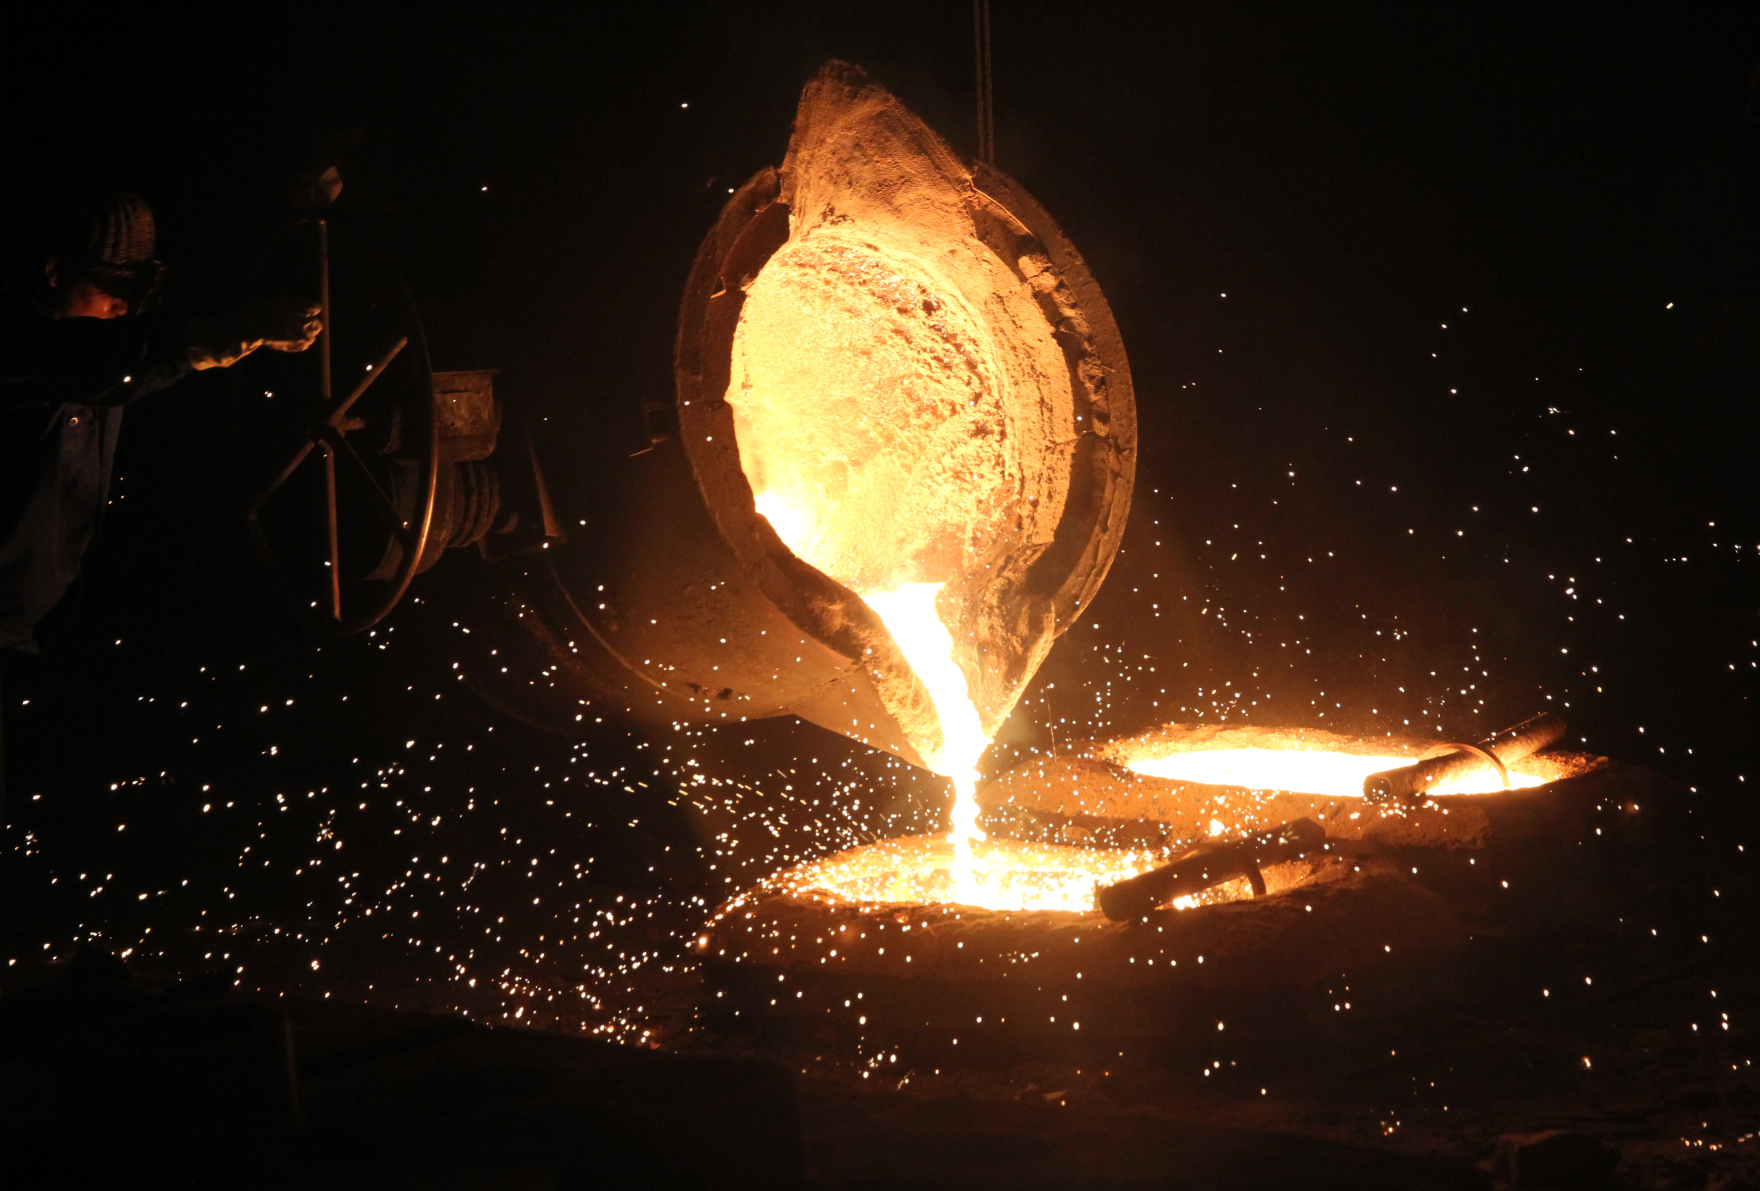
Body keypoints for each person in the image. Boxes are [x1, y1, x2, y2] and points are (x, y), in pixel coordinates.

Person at [0, 189, 321, 817]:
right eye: (109, 292)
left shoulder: (106, 340)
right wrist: (224, 336)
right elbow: (103, 364)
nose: (122, 310)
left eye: (133, 298)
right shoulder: (23, 347)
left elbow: (142, 339)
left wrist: (299, 201)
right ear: (55, 272)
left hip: (26, 641)